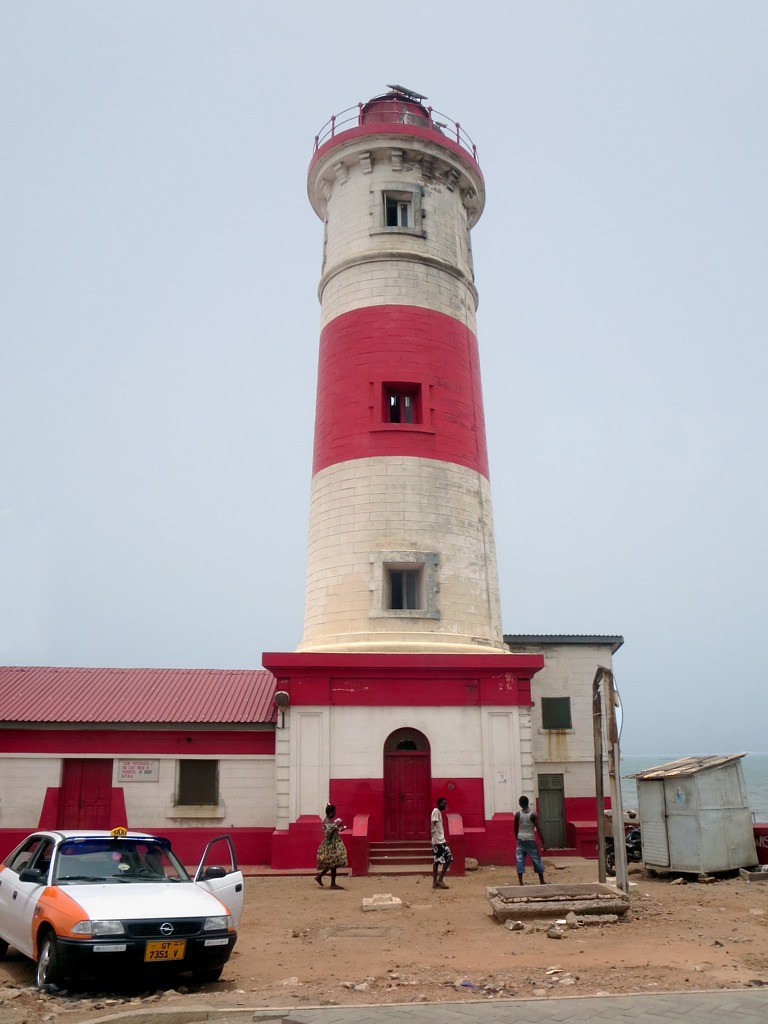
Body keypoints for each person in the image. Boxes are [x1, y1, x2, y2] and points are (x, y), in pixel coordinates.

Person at [514, 795, 546, 884]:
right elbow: (539, 828)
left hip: (521, 840)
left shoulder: (517, 814)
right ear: (528, 803)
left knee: (519, 860)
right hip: (531, 840)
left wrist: (517, 839)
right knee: (536, 859)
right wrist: (543, 842)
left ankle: (520, 882)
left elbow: (515, 829)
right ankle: (542, 881)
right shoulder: (533, 814)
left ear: (520, 804)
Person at [314, 803, 348, 889]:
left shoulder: (329, 820)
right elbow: (328, 834)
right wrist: (337, 825)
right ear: (331, 813)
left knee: (333, 863)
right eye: (335, 812)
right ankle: (329, 882)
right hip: (330, 846)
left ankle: (323, 878)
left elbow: (333, 831)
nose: (336, 813)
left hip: (332, 845)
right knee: (333, 863)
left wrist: (340, 829)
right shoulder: (327, 821)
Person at [430, 796, 453, 889]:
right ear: (439, 804)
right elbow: (433, 823)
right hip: (439, 841)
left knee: (436, 861)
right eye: (444, 803)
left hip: (436, 841)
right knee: (449, 858)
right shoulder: (436, 811)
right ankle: (440, 880)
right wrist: (432, 833)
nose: (445, 805)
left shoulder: (437, 812)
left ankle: (435, 882)